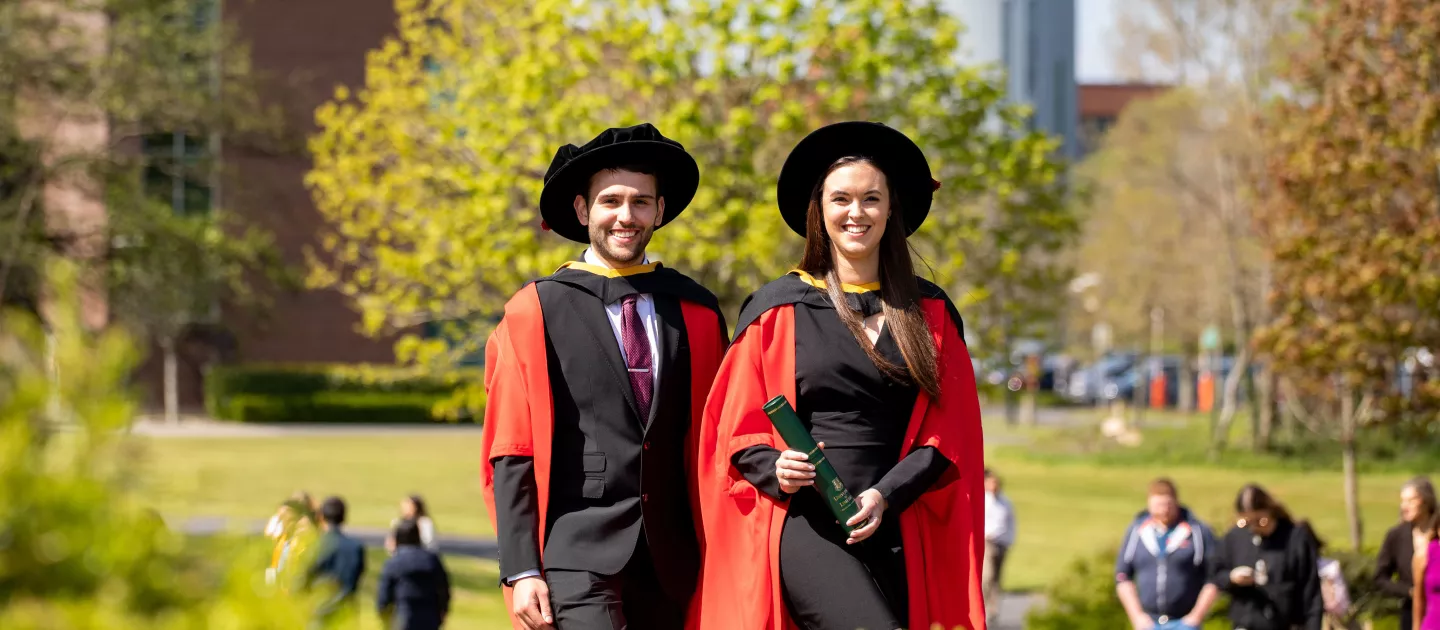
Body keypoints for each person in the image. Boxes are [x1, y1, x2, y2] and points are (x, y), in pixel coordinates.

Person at [692, 121, 986, 630]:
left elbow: (949, 436)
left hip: (894, 518)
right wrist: (776, 467)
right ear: (820, 211)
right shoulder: (778, 309)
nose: (856, 213)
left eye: (871, 198)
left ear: (892, 207)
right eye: (841, 199)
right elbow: (733, 430)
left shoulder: (931, 313)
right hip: (806, 520)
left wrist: (886, 496)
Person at [478, 123, 727, 629]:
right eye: (610, 200)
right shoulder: (536, 312)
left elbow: (717, 435)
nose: (625, 216)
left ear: (660, 211)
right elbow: (512, 448)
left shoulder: (695, 312)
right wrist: (522, 568)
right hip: (577, 553)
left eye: (640, 202)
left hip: (674, 558)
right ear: (581, 210)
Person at [1212, 484, 1323, 630]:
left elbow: (1311, 592)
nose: (1254, 528)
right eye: (1246, 522)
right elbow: (1215, 574)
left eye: (1260, 521)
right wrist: (1232, 578)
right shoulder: (1236, 537)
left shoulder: (1295, 538)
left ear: (1271, 511)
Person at [1115, 478, 1219, 630]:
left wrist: (1195, 617)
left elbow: (1215, 576)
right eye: (1158, 505)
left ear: (1176, 502)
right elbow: (1122, 576)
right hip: (1148, 622)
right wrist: (1137, 616)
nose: (1163, 510)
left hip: (1184, 622)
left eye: (1167, 505)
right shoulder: (1137, 531)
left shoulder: (1198, 531)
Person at [1378, 477, 1439, 630]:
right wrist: (1409, 591)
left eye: (1411, 501)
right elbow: (1380, 578)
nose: (1404, 506)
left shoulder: (1438, 535)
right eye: (1403, 501)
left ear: (1426, 501)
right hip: (1410, 613)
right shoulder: (1396, 536)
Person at [377, 519, 451, 630]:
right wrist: (443, 609)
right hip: (430, 616)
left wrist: (383, 614)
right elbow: (443, 587)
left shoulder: (394, 562)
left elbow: (385, 593)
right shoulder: (431, 559)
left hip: (403, 614)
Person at [306, 496, 367, 623]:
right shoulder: (356, 548)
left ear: (321, 517)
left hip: (320, 612)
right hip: (346, 613)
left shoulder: (316, 545)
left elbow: (305, 577)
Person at [984, 468, 1016, 627]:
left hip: (1001, 543)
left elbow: (1011, 523)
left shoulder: (1006, 502)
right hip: (987, 543)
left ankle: (993, 610)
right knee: (987, 576)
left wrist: (1010, 540)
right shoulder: (984, 500)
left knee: (997, 578)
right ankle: (983, 606)